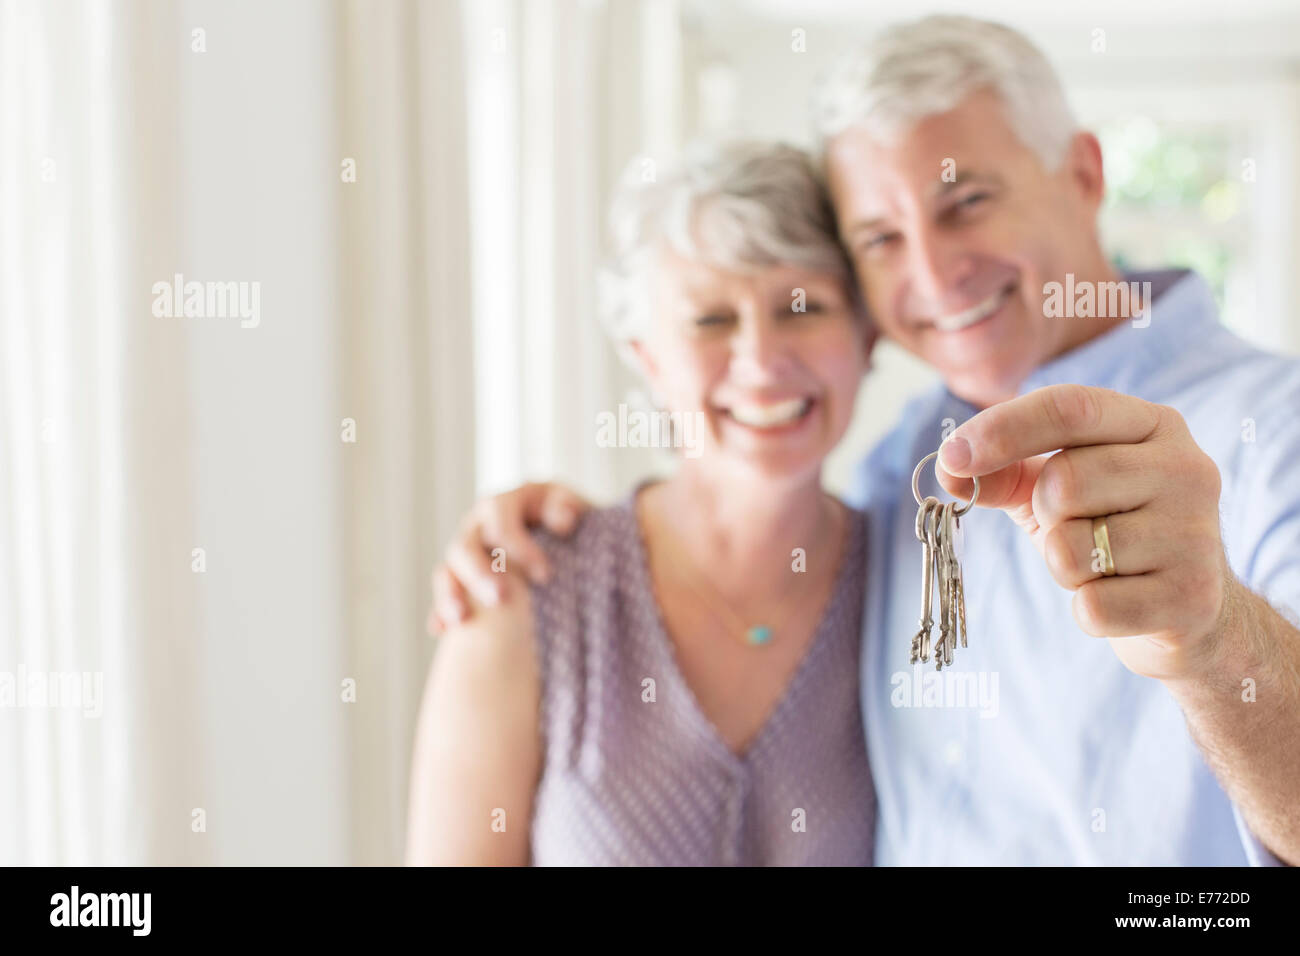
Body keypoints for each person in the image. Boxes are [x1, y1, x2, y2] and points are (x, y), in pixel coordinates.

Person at [431, 15, 1300, 865]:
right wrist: (533, 526)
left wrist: (1220, 638)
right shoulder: (909, 469)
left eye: (967, 202)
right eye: (881, 239)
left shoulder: (1276, 429)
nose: (930, 274)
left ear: (1083, 170)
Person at [407, 141, 877, 865]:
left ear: (866, 337)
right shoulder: (525, 594)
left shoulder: (915, 586)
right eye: (710, 320)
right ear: (647, 356)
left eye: (803, 307)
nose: (761, 360)